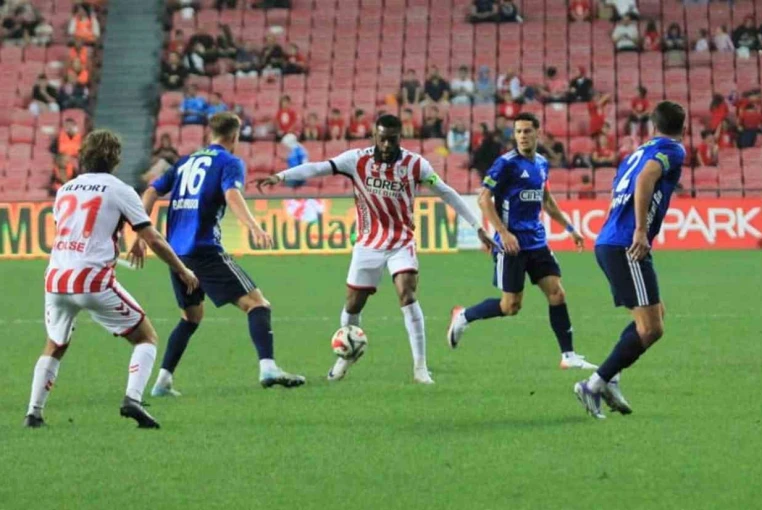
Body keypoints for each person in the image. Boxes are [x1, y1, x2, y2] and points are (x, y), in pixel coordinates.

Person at [255, 114, 495, 384]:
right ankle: (346, 355)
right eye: (382, 139)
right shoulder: (356, 160)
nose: (387, 145)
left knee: (407, 293)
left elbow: (447, 192)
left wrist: (478, 227)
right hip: (368, 243)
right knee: (353, 304)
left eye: (392, 140)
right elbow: (317, 168)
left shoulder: (415, 165)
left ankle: (420, 368)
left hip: (401, 241)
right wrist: (281, 176)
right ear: (374, 137)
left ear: (399, 138)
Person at [24, 129, 199, 429]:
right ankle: (132, 399)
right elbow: (152, 237)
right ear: (116, 159)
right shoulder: (119, 190)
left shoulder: (65, 190)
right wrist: (182, 269)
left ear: (84, 157)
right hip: (91, 279)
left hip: (55, 279)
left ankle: (33, 412)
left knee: (55, 344)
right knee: (146, 338)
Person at [135, 112, 306, 397]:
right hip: (204, 251)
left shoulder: (185, 161)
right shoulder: (230, 162)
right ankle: (268, 367)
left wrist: (142, 231)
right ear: (234, 137)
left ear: (210, 134)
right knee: (258, 304)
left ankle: (162, 382)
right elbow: (233, 196)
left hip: (176, 255)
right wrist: (253, 226)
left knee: (191, 317)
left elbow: (151, 190)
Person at [447, 112, 595, 370]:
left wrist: (570, 228)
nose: (523, 136)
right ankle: (464, 316)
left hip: (536, 242)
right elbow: (484, 199)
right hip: (511, 245)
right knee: (510, 306)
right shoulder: (505, 164)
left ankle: (568, 356)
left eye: (527, 131)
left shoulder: (541, 163)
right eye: (518, 132)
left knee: (557, 293)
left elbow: (546, 201)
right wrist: (503, 233)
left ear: (538, 133)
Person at [575, 101, 686, 418]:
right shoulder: (673, 150)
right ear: (683, 127)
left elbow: (625, 186)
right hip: (627, 244)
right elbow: (644, 181)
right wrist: (640, 230)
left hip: (611, 241)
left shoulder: (634, 154)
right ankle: (594, 384)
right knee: (652, 328)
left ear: (652, 126)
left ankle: (610, 377)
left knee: (655, 316)